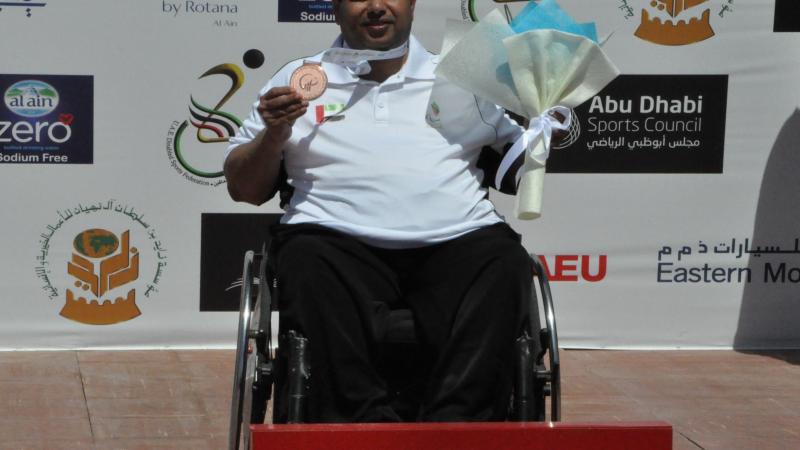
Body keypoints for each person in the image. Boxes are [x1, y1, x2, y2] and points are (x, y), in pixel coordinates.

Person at [225, 0, 550, 423]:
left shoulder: (459, 76)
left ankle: (456, 427)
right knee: (307, 261)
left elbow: (516, 170)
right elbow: (243, 189)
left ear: (412, 4)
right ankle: (366, 428)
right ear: (337, 8)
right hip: (336, 240)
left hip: (456, 240)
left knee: (504, 261)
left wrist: (546, 127)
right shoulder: (298, 80)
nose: (376, 6)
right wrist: (273, 135)